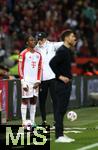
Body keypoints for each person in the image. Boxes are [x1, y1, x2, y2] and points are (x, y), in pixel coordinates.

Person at [49, 29, 77, 142]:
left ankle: (61, 134)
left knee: (62, 110)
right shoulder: (62, 51)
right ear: (66, 38)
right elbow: (51, 63)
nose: (74, 38)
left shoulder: (67, 51)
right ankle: (59, 136)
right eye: (72, 36)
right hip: (61, 85)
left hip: (65, 84)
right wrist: (60, 76)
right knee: (59, 110)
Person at [35, 32, 63, 127]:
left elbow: (63, 43)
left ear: (45, 39)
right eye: (39, 39)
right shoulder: (36, 48)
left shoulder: (52, 45)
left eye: (41, 39)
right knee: (42, 101)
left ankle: (56, 121)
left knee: (55, 100)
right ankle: (44, 122)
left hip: (52, 78)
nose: (40, 41)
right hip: (42, 79)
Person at [18, 34, 42, 127]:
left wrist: (38, 81)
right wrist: (23, 81)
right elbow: (20, 68)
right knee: (25, 100)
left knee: (33, 100)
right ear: (27, 42)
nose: (34, 42)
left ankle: (32, 121)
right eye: (31, 40)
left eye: (34, 40)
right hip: (26, 81)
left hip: (35, 81)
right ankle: (24, 122)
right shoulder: (23, 53)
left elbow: (40, 68)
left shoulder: (38, 55)